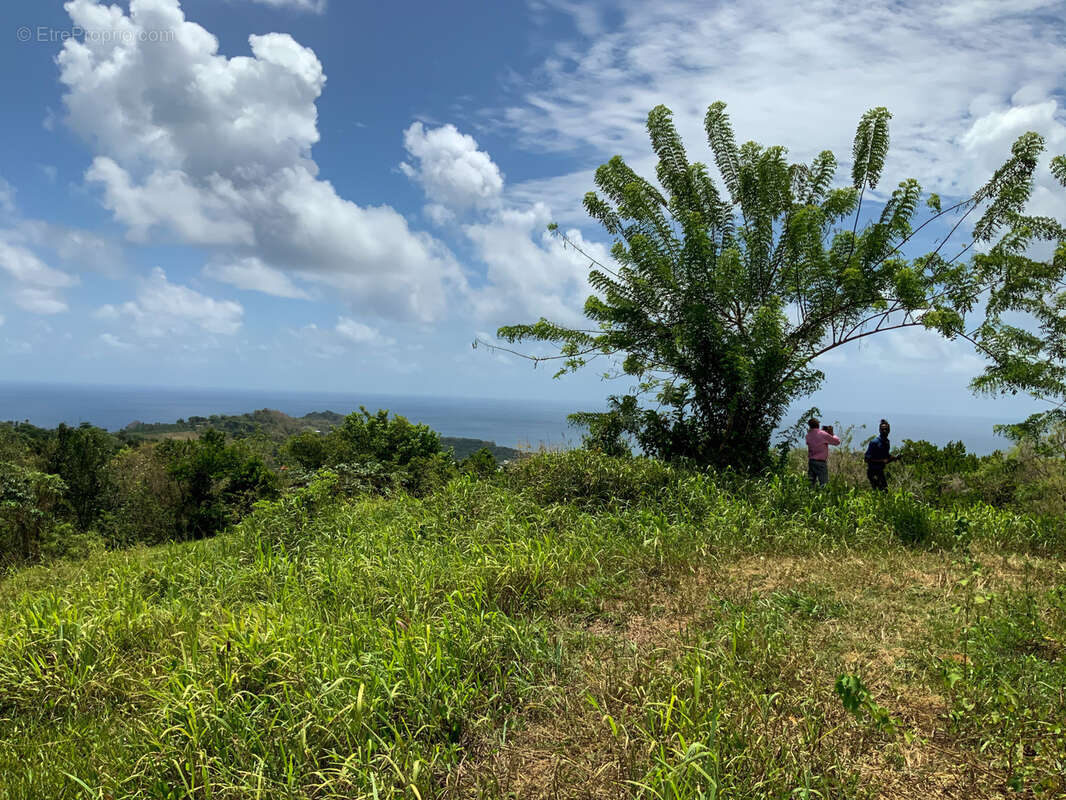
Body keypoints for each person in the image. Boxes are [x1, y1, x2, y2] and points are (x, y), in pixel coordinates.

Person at [805, 417, 840, 486]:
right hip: (820, 462)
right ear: (818, 424)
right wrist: (831, 434)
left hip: (811, 461)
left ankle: (809, 495)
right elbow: (837, 442)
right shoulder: (823, 434)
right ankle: (824, 496)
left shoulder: (808, 435)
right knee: (824, 484)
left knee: (810, 483)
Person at [864, 419, 897, 491]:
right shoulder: (874, 442)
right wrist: (882, 461)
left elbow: (886, 456)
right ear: (879, 430)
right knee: (880, 493)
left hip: (880, 471)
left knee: (884, 492)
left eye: (886, 429)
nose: (884, 431)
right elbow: (866, 459)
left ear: (889, 430)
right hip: (873, 472)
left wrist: (893, 458)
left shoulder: (887, 442)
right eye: (882, 429)